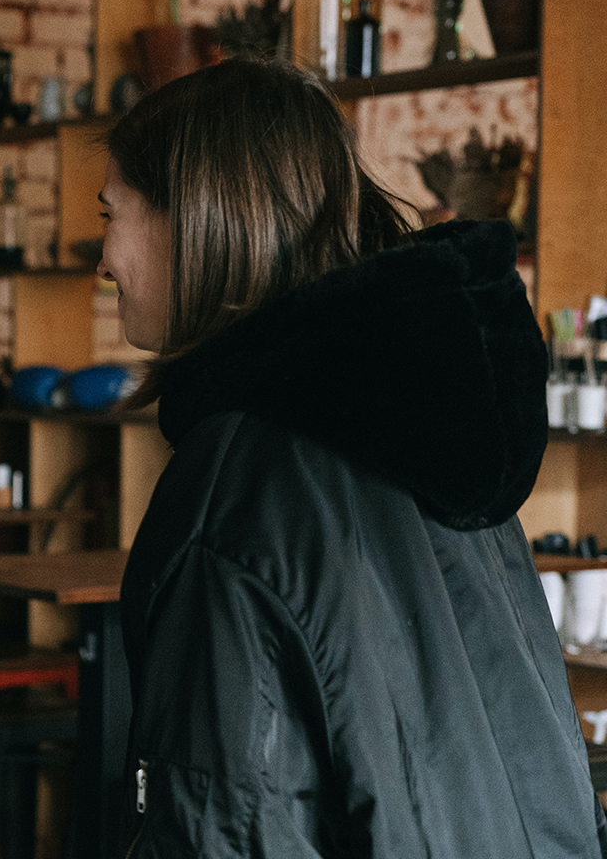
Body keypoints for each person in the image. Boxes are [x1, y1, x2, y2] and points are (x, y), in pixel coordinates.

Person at [97, 59, 607, 857]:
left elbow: (227, 824)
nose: (102, 260)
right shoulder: (436, 432)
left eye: (110, 214)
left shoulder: (236, 486)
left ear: (194, 219)